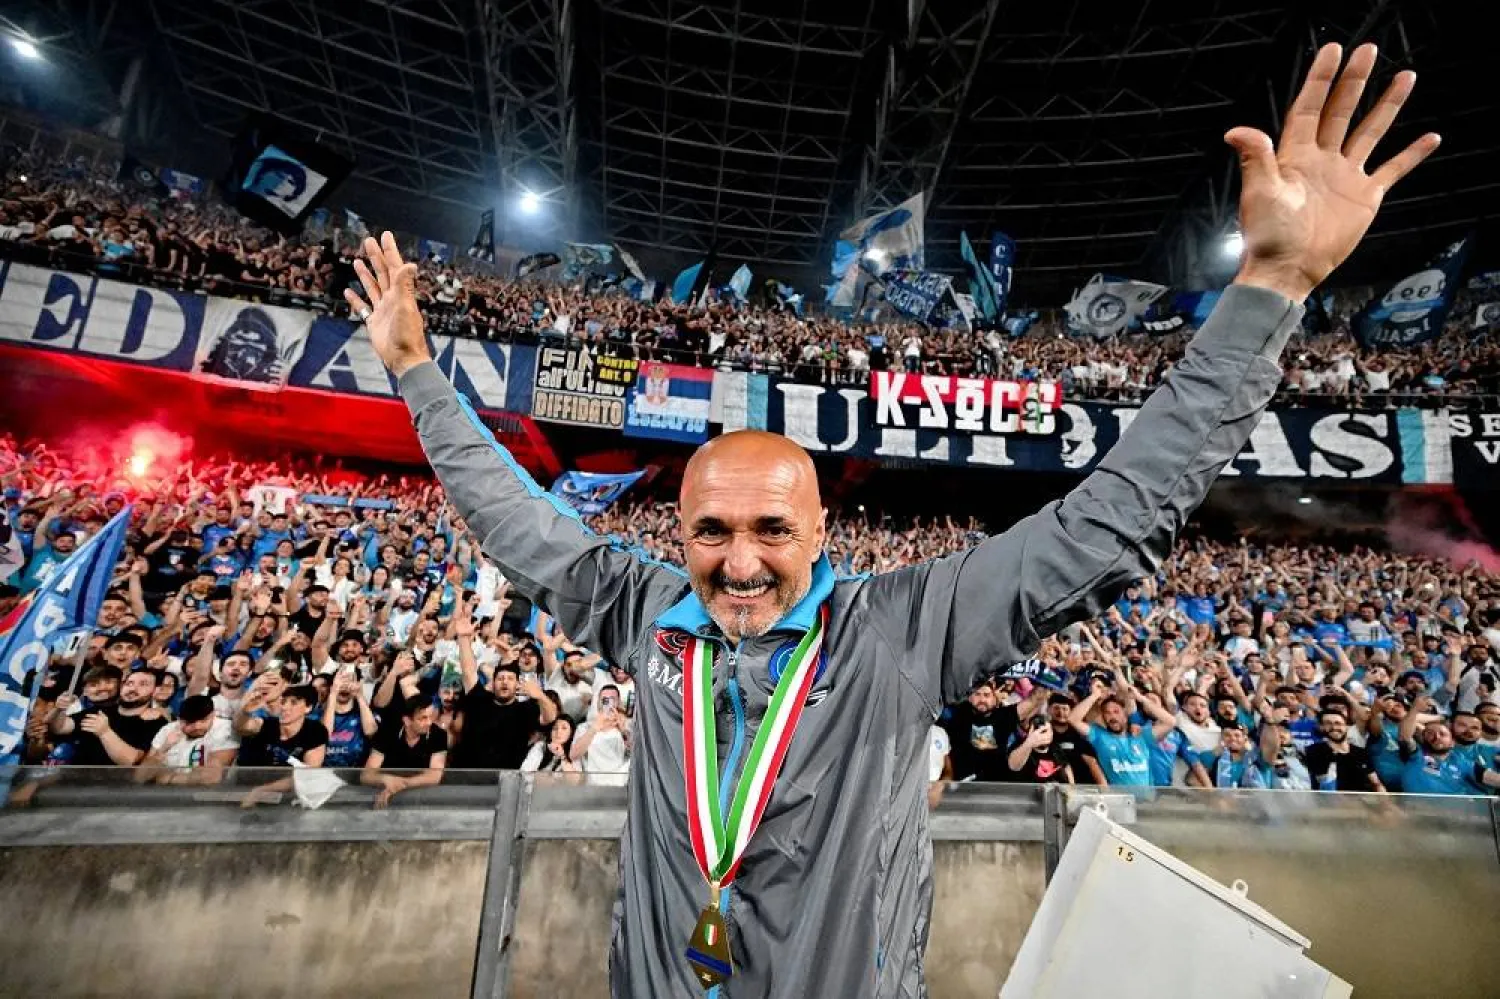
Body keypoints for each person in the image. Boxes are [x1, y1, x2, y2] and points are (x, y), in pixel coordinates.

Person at [344, 42, 1437, 995]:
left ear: (821, 535)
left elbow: (1113, 518)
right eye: (711, 531)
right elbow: (509, 516)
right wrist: (415, 372)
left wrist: (1272, 286)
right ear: (676, 534)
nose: (737, 563)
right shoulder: (641, 611)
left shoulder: (906, 627)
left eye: (771, 530)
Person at [361, 698, 448, 808]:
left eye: (431, 717)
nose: (429, 722)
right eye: (423, 718)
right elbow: (366, 775)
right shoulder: (386, 732)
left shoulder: (439, 735)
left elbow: (434, 776)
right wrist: (385, 779)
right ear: (407, 720)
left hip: (423, 796)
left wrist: (401, 784)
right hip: (384, 794)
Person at [136, 694, 237, 784]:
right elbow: (140, 777)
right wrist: (164, 748)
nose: (197, 726)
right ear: (180, 719)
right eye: (190, 722)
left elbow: (211, 778)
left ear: (213, 714)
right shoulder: (168, 730)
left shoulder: (225, 728)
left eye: (203, 720)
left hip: (208, 797)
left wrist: (168, 778)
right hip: (165, 797)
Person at [1304, 708, 1384, 792]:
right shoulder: (1314, 751)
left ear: (1346, 726)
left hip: (1360, 802)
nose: (1334, 727)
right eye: (1328, 723)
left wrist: (1386, 801)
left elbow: (1376, 783)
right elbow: (1320, 781)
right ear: (1322, 727)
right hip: (1328, 802)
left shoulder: (1360, 752)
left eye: (1338, 723)